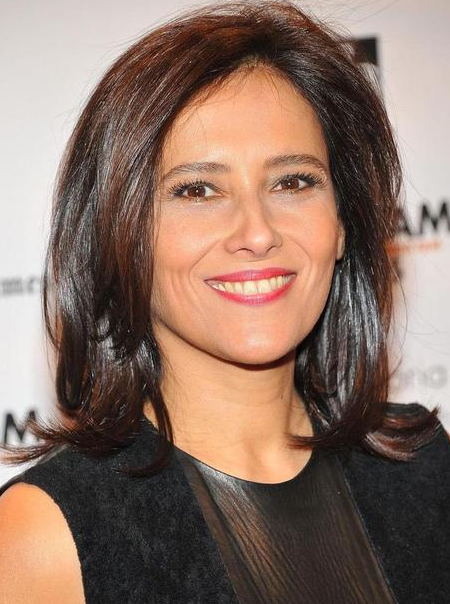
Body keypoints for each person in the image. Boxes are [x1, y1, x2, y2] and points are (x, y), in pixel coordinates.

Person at [0, 1, 449, 603]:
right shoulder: (45, 538)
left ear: (343, 224)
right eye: (198, 190)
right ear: (120, 235)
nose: (257, 233)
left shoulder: (424, 468)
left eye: (293, 181)